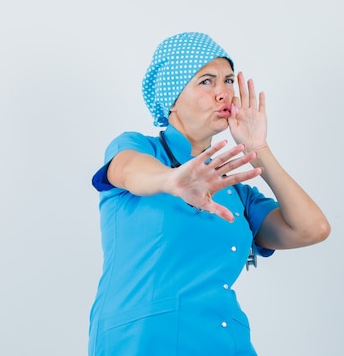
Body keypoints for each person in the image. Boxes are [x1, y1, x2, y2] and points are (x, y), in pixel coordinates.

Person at [88, 32, 330, 356]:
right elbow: (128, 171)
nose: (224, 93)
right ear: (171, 98)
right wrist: (172, 180)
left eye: (228, 80)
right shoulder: (139, 149)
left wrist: (259, 150)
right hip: (143, 342)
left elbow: (312, 229)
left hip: (224, 342)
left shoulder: (234, 190)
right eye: (206, 81)